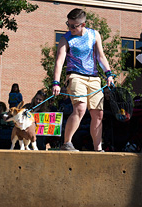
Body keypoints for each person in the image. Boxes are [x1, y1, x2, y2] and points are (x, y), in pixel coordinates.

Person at [52, 8, 114, 151]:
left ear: (83, 25)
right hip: (75, 76)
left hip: (94, 78)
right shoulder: (65, 38)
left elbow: (101, 56)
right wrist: (56, 82)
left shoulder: (94, 35)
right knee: (80, 108)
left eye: (74, 26)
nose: (70, 28)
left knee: (98, 114)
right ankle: (67, 143)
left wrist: (108, 74)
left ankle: (98, 148)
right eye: (68, 24)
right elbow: (59, 61)